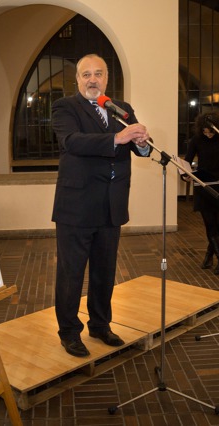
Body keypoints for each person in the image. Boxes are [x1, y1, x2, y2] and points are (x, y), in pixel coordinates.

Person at [51, 54, 152, 357]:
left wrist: (143, 143)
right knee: (71, 274)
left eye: (98, 74)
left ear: (107, 78)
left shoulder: (121, 109)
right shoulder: (65, 107)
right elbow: (73, 141)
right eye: (86, 75)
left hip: (111, 206)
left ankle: (100, 324)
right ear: (78, 80)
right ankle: (69, 332)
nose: (92, 80)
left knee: (104, 272)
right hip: (77, 206)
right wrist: (118, 138)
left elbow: (137, 145)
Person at [183, 111, 219, 275]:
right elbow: (187, 160)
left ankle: (209, 255)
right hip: (204, 185)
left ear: (217, 128)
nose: (208, 134)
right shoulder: (197, 139)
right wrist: (184, 174)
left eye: (210, 131)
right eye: (205, 132)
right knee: (209, 223)